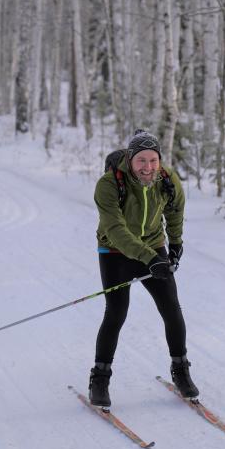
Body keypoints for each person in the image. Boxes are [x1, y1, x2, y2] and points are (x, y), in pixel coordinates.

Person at [89, 129, 198, 407]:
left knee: (171, 308)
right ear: (130, 159)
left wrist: (174, 246)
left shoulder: (168, 180)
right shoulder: (109, 184)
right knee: (116, 312)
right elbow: (115, 229)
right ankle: (100, 378)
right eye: (141, 161)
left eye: (153, 160)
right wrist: (150, 258)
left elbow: (175, 212)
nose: (148, 167)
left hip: (152, 245)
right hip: (114, 250)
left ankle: (181, 371)